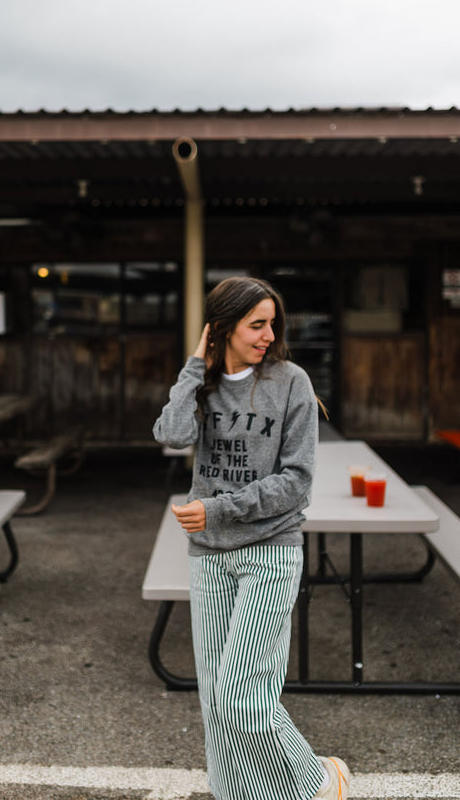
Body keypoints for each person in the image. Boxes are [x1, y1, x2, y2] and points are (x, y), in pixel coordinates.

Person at [153, 276, 350, 800]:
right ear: (223, 328)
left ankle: (318, 779)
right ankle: (232, 792)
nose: (268, 335)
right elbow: (171, 435)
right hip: (209, 555)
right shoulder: (205, 382)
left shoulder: (292, 382)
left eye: (272, 324)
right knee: (215, 699)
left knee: (243, 695)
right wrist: (196, 365)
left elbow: (297, 481)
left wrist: (218, 509)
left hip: (269, 550)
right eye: (256, 324)